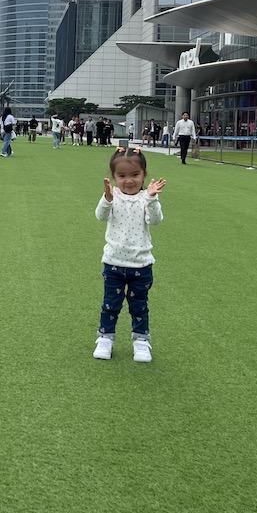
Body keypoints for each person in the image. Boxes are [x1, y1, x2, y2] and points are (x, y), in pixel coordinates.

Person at [93, 147, 165, 363]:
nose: (129, 180)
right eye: (122, 176)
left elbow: (156, 220)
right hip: (113, 263)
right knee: (110, 304)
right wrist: (107, 198)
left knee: (139, 306)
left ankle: (141, 341)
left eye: (135, 174)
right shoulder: (112, 196)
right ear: (114, 177)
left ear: (144, 175)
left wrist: (151, 198)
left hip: (141, 265)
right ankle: (105, 338)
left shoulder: (146, 198)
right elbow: (100, 216)